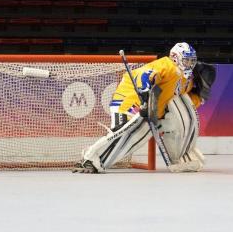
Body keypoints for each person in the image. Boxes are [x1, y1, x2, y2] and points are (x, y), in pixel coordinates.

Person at [72, 42, 216, 173]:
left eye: (192, 61)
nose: (190, 64)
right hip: (130, 102)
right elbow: (145, 74)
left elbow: (180, 98)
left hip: (150, 112)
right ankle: (89, 158)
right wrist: (145, 93)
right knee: (122, 131)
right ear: (175, 58)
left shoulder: (186, 81)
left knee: (132, 142)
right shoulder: (167, 65)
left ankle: (99, 163)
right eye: (186, 60)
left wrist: (200, 95)